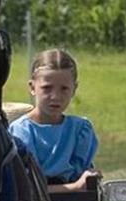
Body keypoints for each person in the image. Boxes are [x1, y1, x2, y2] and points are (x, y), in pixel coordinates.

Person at [8, 49, 100, 192]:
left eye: (64, 89)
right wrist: (74, 187)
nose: (55, 96)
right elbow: (26, 188)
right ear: (32, 87)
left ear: (74, 89)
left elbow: (82, 177)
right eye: (47, 88)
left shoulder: (80, 130)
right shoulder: (22, 131)